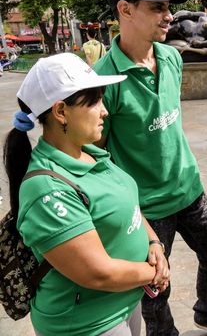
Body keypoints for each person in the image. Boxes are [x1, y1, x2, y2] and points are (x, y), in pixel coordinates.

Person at [94, 0, 207, 336]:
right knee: (155, 289)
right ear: (125, 10)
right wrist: (132, 218)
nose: (169, 16)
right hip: (146, 208)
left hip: (189, 189)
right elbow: (98, 156)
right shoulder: (102, 80)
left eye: (169, 8)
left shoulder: (172, 58)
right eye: (157, 8)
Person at [4, 53, 170, 336]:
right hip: (89, 324)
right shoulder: (47, 189)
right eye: (94, 102)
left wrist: (154, 243)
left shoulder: (90, 152)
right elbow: (97, 273)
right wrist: (154, 272)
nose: (104, 111)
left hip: (124, 303)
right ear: (60, 112)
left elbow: (128, 204)